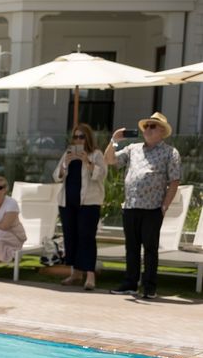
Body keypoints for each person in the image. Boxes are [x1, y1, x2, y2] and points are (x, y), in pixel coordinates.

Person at [105, 112, 182, 299]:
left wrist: (164, 207)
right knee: (131, 248)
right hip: (131, 206)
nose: (147, 129)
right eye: (146, 126)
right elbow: (110, 160)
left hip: (153, 208)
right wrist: (114, 140)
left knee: (150, 249)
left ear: (162, 131)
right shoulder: (133, 148)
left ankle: (149, 287)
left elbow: (174, 182)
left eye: (152, 126)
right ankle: (130, 284)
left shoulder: (170, 152)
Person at [52, 123, 107, 290]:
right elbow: (56, 176)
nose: (78, 140)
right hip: (68, 202)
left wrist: (87, 162)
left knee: (86, 237)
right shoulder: (68, 154)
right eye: (75, 137)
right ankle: (76, 273)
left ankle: (90, 275)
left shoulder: (96, 154)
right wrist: (65, 164)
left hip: (89, 203)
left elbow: (102, 175)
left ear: (88, 138)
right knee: (71, 237)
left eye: (81, 137)